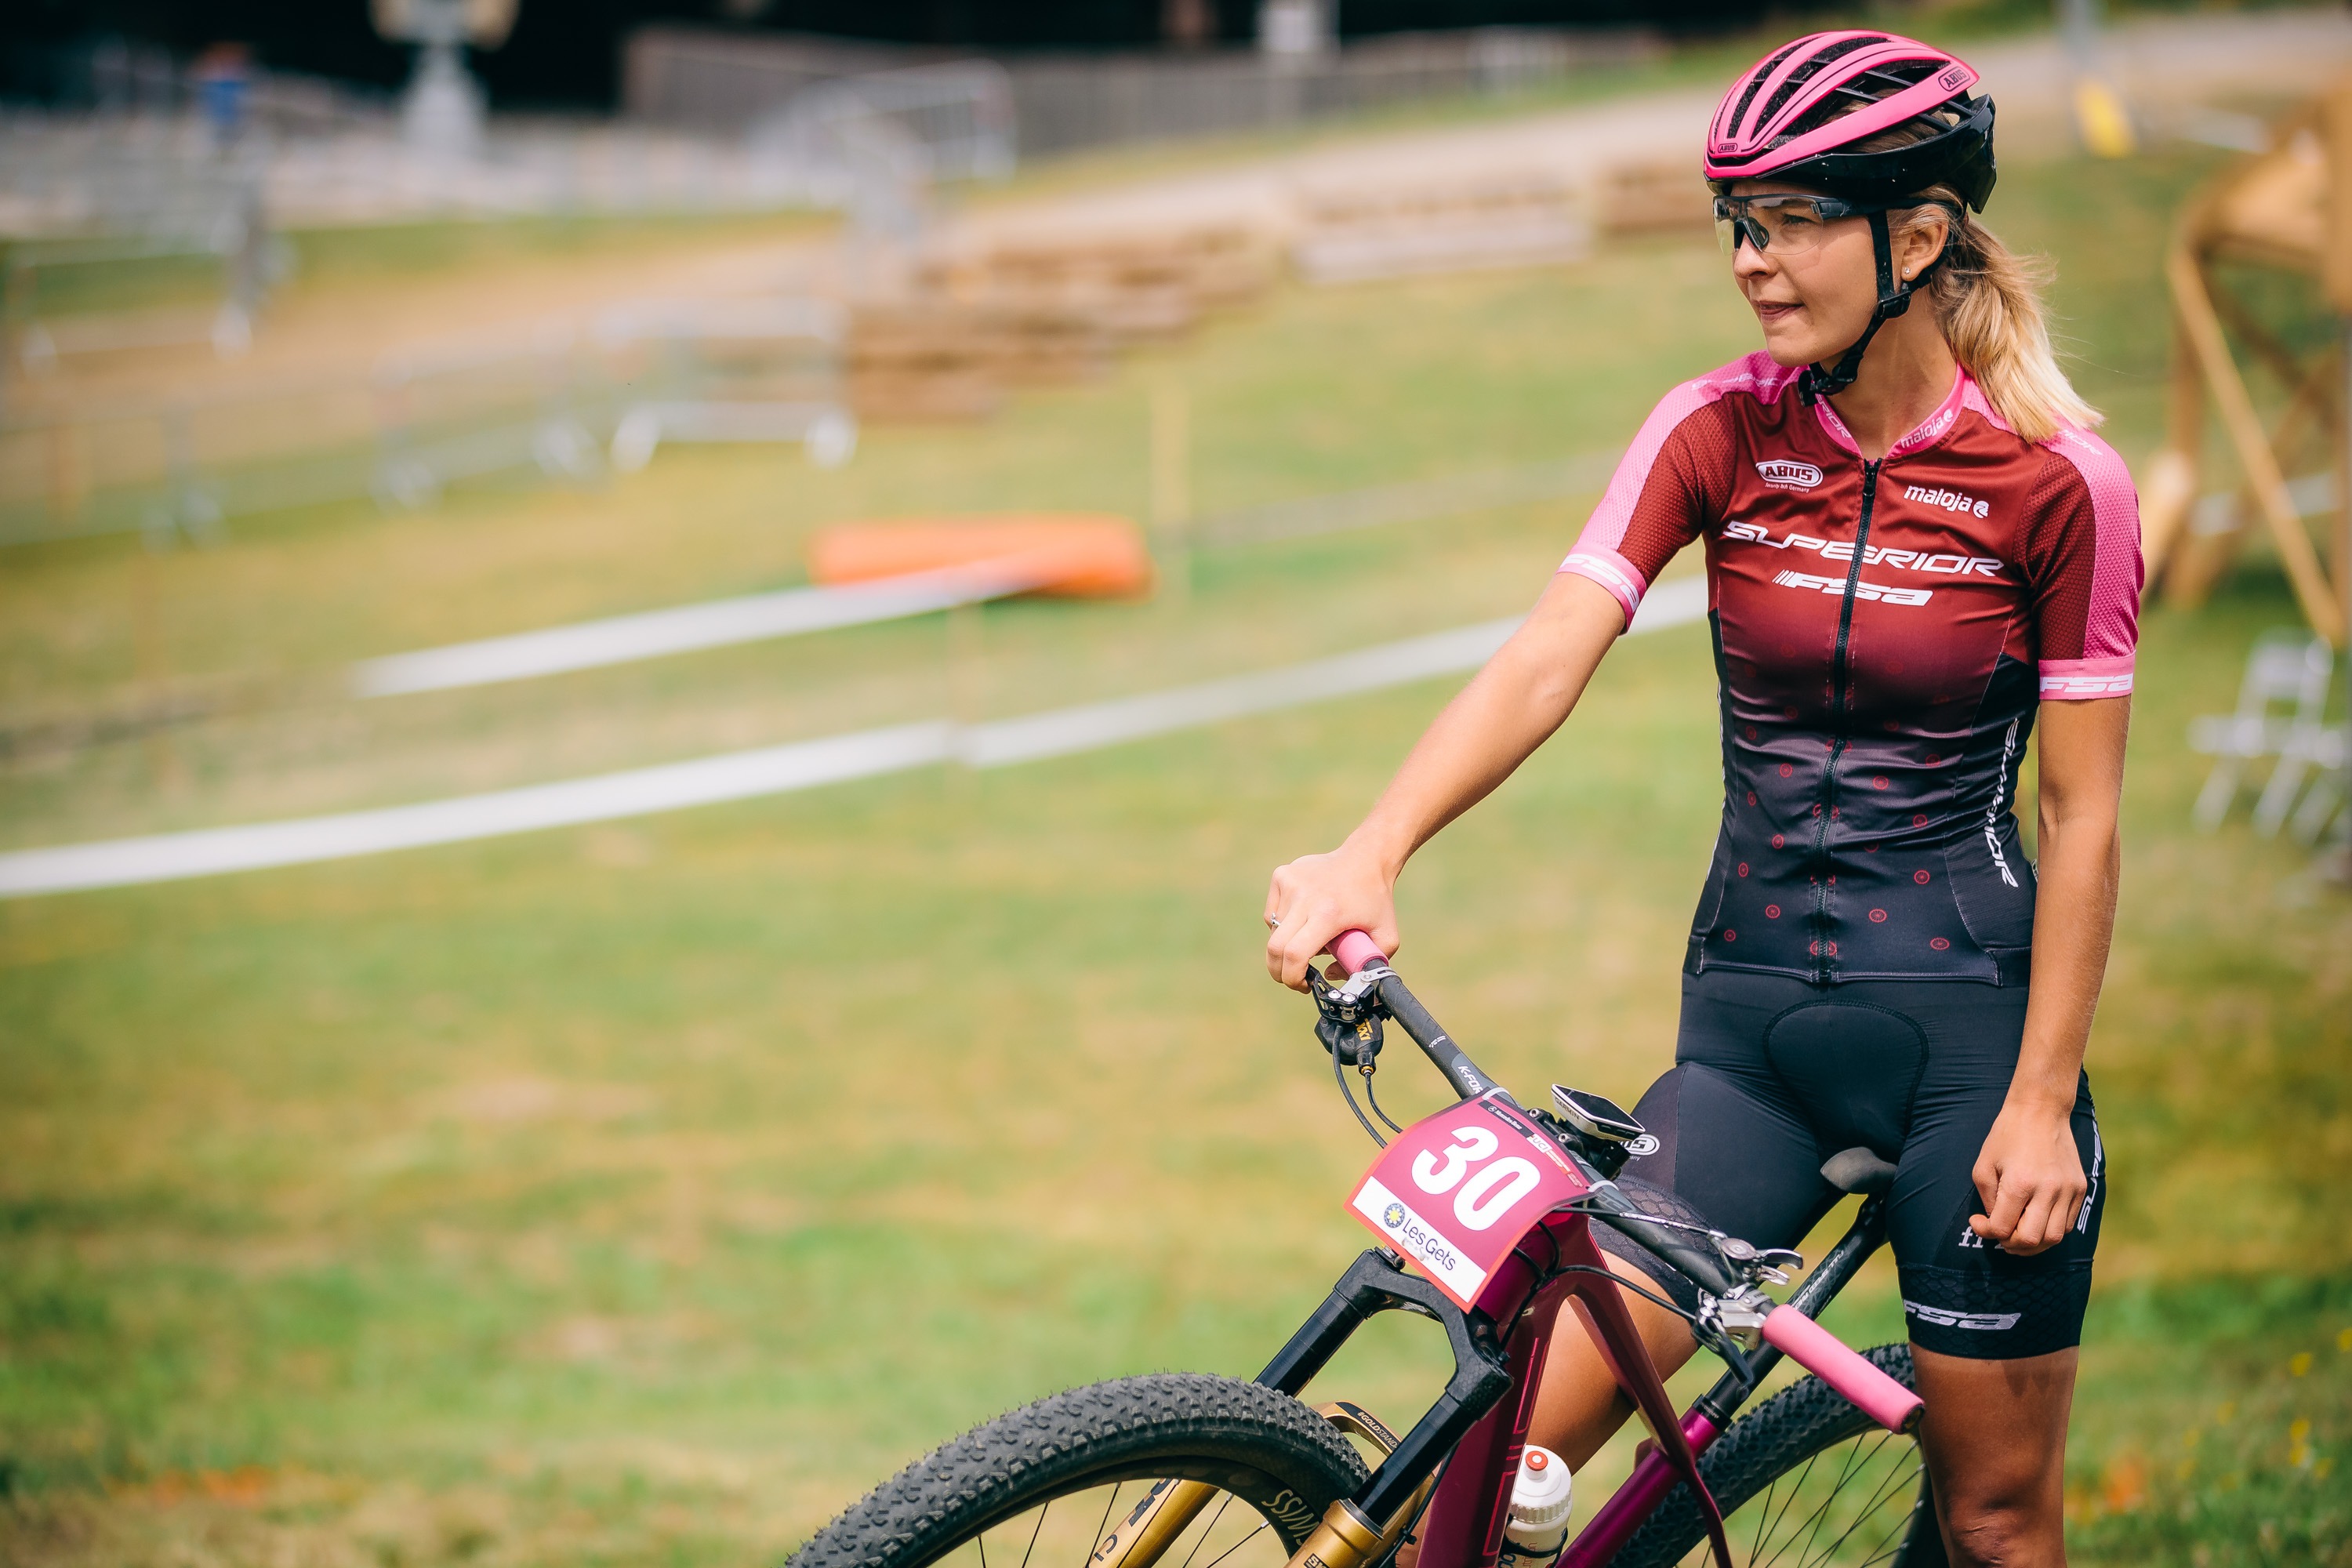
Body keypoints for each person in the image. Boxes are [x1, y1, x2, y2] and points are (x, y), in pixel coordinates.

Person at [1262, 31, 2138, 1567]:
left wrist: (2041, 1101)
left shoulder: (2057, 482)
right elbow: (1548, 656)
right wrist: (1368, 848)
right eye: (1740, 219)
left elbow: (2083, 817)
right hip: (1745, 1049)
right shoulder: (1717, 429)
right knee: (1481, 1482)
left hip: (1969, 1054)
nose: (1753, 257)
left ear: (1917, 237)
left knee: (1998, 1522)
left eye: (1796, 217)